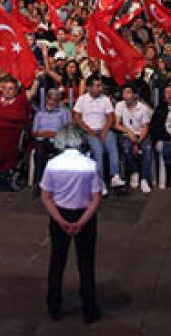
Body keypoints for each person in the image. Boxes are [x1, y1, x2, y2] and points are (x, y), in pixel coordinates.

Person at [39, 124, 103, 324]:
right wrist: (81, 221)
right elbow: (96, 197)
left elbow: (46, 196)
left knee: (57, 261)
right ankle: (89, 309)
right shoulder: (90, 165)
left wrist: (61, 221)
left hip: (60, 214)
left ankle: (55, 306)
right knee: (86, 264)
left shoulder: (53, 164)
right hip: (84, 214)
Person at [72, 77, 122, 189]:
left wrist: (104, 131)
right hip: (88, 131)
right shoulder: (82, 99)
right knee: (98, 149)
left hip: (104, 128)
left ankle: (115, 176)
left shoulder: (105, 99)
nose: (100, 88)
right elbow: (76, 116)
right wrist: (88, 130)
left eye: (101, 86)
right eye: (97, 86)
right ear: (89, 87)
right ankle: (100, 181)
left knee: (112, 145)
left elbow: (110, 117)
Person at [113, 84, 153, 194]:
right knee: (126, 148)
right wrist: (128, 131)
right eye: (124, 93)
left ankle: (145, 179)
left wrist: (138, 141)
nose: (125, 96)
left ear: (135, 95)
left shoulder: (143, 108)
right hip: (126, 134)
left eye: (128, 93)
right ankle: (134, 171)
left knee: (147, 149)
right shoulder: (120, 105)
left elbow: (145, 127)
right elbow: (116, 124)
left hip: (141, 134)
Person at [32, 88, 72, 191]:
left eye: (55, 100)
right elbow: (34, 132)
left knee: (62, 153)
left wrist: (55, 134)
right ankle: (40, 183)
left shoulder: (64, 112)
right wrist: (45, 133)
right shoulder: (40, 113)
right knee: (39, 153)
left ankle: (60, 184)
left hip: (58, 140)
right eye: (51, 99)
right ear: (47, 99)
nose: (52, 102)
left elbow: (68, 130)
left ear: (58, 101)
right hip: (42, 140)